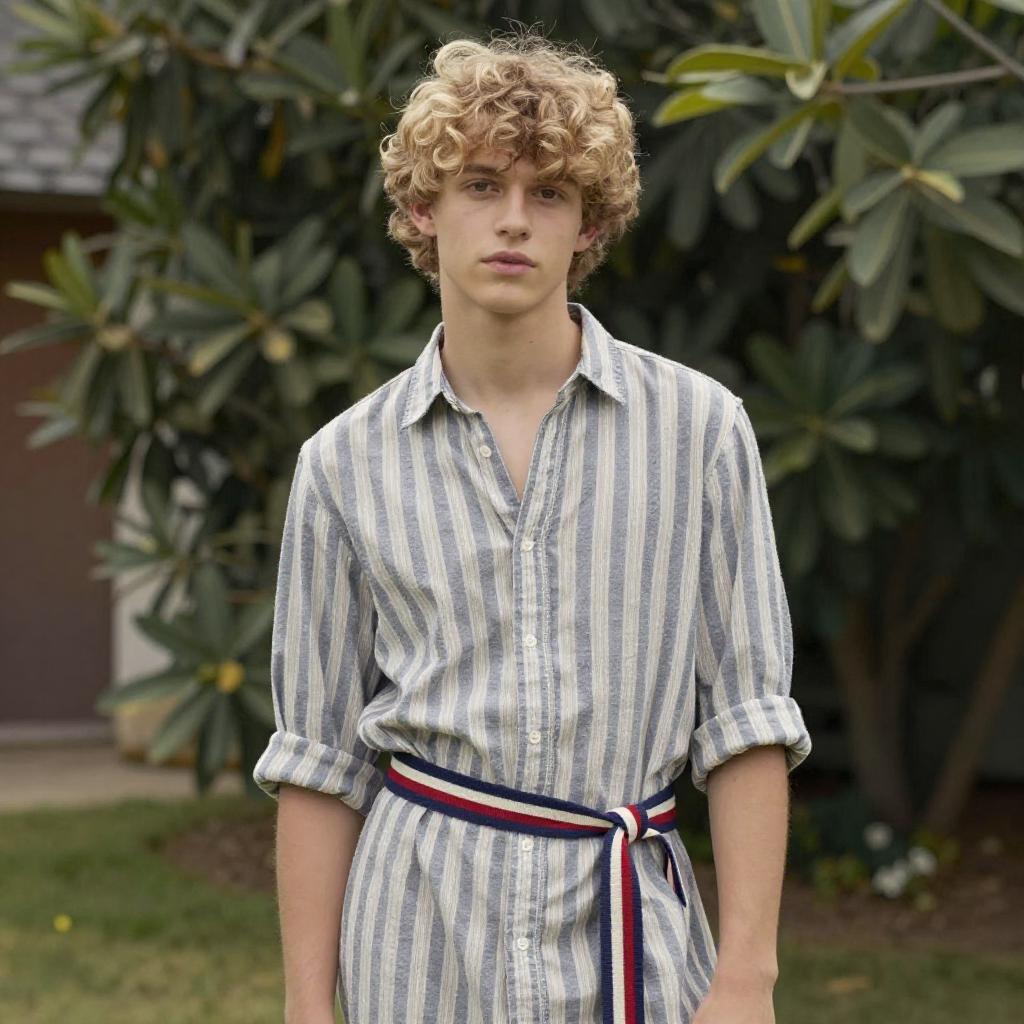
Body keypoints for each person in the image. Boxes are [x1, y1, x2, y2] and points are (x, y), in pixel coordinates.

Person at [252, 27, 812, 1024]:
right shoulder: (342, 461)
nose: (512, 220)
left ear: (587, 227)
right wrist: (307, 1006)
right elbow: (318, 760)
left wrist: (747, 976)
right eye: (479, 185)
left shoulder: (699, 432)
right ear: (423, 207)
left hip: (629, 929)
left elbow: (746, 724)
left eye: (547, 193)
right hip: (415, 939)